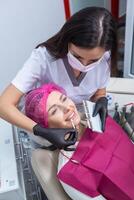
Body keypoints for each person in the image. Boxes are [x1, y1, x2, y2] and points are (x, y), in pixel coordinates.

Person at [0, 7, 117, 149]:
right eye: (78, 56)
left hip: (78, 120)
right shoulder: (43, 58)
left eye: (93, 61)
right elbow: (3, 105)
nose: (83, 65)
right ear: (67, 40)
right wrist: (42, 131)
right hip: (49, 129)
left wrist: (101, 100)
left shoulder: (105, 57)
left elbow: (99, 92)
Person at [25, 83, 134, 200]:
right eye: (54, 111)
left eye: (64, 99)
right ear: (46, 127)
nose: (66, 108)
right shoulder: (69, 172)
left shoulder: (99, 120)